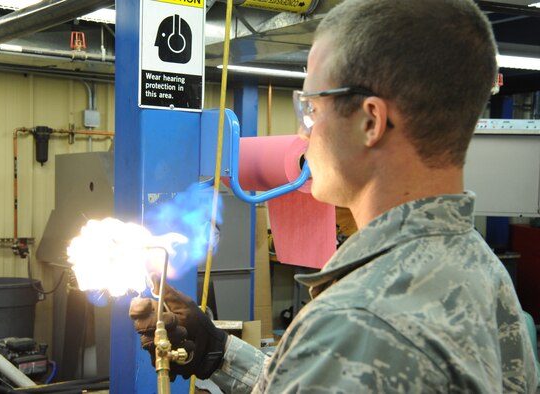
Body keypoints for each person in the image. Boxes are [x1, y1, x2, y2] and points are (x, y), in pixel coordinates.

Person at [130, 0, 539, 392]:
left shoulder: (353, 322)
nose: (304, 133)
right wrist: (218, 354)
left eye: (311, 107)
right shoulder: (485, 277)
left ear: (369, 121)